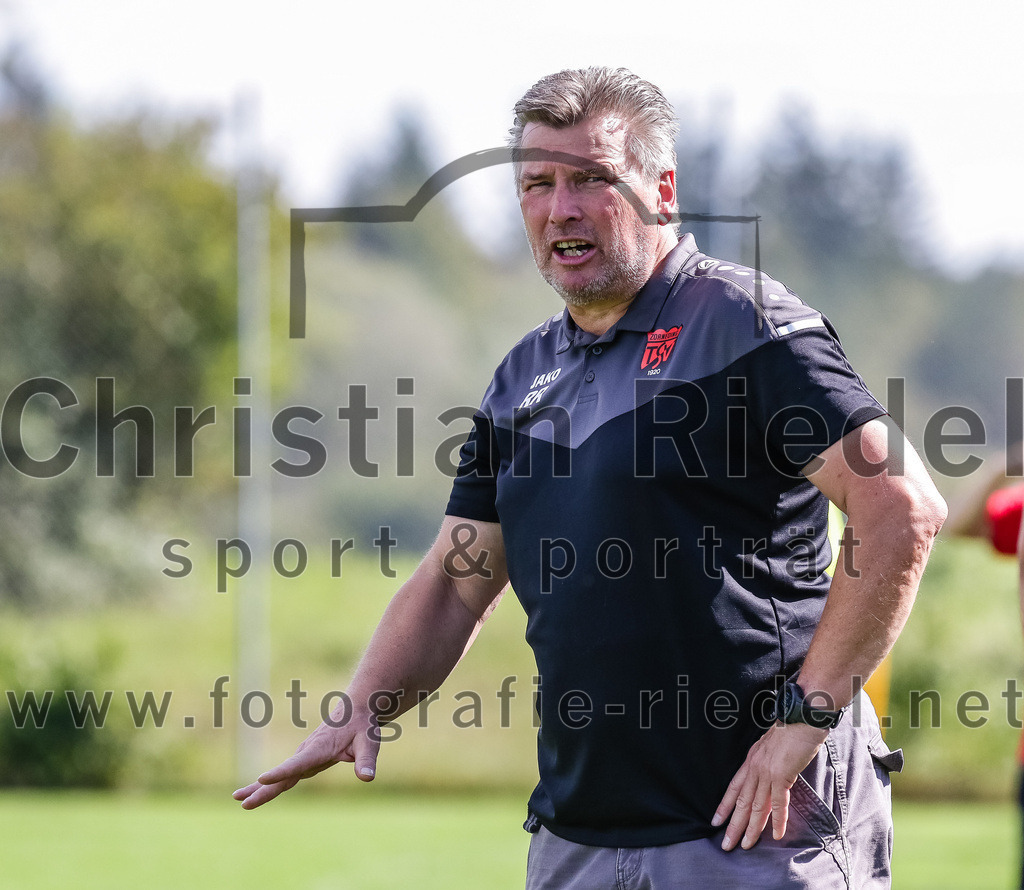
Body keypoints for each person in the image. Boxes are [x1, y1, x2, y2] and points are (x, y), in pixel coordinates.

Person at [234, 67, 947, 888]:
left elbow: (901, 509)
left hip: (758, 829)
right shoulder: (520, 377)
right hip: (579, 835)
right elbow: (458, 581)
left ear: (662, 190)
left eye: (592, 180)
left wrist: (802, 728)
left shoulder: (744, 324)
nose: (561, 208)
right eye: (538, 184)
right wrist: (363, 703)